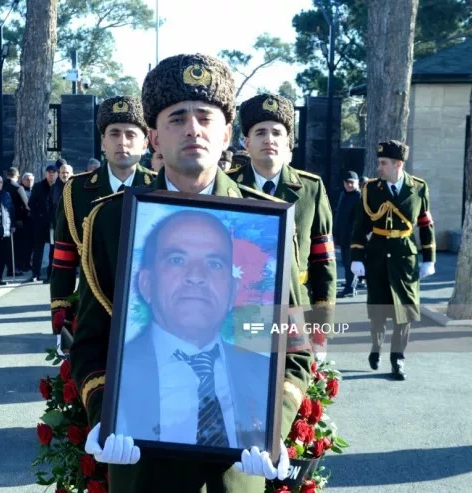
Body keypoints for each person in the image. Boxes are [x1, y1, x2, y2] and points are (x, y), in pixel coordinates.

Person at [71, 54, 312, 491]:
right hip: (142, 464)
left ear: (226, 134)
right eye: (177, 118)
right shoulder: (111, 220)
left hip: (237, 469)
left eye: (205, 117)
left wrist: (270, 427)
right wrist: (106, 415)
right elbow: (91, 340)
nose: (193, 129)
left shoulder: (266, 221)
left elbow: (292, 347)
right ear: (154, 137)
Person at [118, 210, 269, 449]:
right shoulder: (117, 372)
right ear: (146, 283)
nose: (196, 276)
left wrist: (272, 442)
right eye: (177, 260)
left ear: (232, 291)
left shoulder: (262, 372)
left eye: (214, 263)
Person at [230, 93, 336, 362]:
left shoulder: (311, 188)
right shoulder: (228, 187)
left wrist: (321, 326)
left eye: (277, 133)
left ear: (288, 142)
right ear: (246, 142)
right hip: (241, 306)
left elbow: (323, 261)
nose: (269, 139)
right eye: (260, 132)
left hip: (296, 305)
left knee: (293, 380)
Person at [50, 95, 155, 344]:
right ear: (103, 142)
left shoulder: (157, 189)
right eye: (114, 134)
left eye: (131, 134)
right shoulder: (77, 189)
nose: (122, 142)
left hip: (148, 313)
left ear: (145, 143)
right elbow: (64, 257)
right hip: (92, 310)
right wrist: (61, 311)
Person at [350, 140, 436, 380]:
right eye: (379, 163)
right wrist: (356, 257)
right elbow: (360, 225)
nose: (379, 168)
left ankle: (398, 358)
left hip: (405, 257)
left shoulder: (418, 187)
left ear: (398, 164)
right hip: (377, 255)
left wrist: (429, 258)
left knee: (404, 311)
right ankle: (376, 347)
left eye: (383, 163)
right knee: (378, 309)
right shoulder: (370, 189)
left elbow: (425, 224)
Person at [28, 164, 58, 282]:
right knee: (38, 249)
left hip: (54, 223)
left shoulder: (59, 186)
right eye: (49, 172)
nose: (51, 174)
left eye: (53, 172)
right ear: (46, 174)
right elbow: (32, 204)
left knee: (53, 248)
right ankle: (35, 274)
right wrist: (38, 217)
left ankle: (51, 273)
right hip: (40, 223)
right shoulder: (38, 186)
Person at [334, 170, 361, 298]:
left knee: (351, 262)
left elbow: (360, 219)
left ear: (357, 182)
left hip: (353, 237)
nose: (349, 185)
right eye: (346, 182)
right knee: (346, 262)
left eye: (351, 182)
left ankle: (351, 287)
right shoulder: (343, 195)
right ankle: (350, 285)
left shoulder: (359, 197)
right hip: (343, 235)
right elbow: (339, 215)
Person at [4, 166, 30, 275]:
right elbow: (26, 205)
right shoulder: (18, 187)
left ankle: (9, 268)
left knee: (6, 247)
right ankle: (16, 268)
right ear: (18, 176)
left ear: (7, 175)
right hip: (18, 220)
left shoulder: (1, 185)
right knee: (17, 246)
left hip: (4, 220)